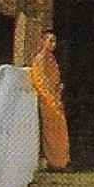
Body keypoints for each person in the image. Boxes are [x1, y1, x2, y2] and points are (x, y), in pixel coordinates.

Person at [28, 33, 71, 170]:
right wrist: (52, 96)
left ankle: (61, 161)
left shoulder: (52, 59)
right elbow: (41, 81)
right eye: (50, 41)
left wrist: (58, 90)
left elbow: (55, 79)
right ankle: (54, 162)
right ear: (43, 41)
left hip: (55, 98)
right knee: (51, 130)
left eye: (55, 41)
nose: (53, 44)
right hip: (48, 100)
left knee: (60, 129)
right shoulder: (40, 59)